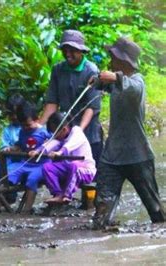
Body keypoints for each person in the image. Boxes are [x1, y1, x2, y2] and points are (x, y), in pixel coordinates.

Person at [92, 37, 165, 228]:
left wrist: (115, 77)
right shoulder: (116, 83)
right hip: (112, 157)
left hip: (138, 156)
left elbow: (132, 88)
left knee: (156, 212)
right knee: (101, 215)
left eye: (113, 57)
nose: (110, 60)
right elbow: (105, 84)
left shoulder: (137, 82)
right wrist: (96, 81)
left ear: (123, 61)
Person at [39, 30, 103, 165]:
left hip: (89, 135)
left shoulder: (91, 71)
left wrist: (78, 131)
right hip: (64, 134)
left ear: (81, 51)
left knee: (89, 177)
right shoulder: (58, 70)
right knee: (66, 174)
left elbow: (91, 107)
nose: (68, 54)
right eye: (65, 50)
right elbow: (52, 102)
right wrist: (40, 126)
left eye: (72, 50)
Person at [31, 112, 96, 203]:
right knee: (47, 167)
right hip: (68, 169)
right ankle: (57, 194)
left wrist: (60, 152)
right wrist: (38, 151)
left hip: (86, 171)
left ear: (64, 129)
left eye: (55, 133)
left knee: (74, 165)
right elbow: (51, 143)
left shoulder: (77, 132)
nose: (54, 136)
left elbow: (71, 144)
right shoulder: (60, 137)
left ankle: (66, 195)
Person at [5, 101, 51, 213]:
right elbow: (20, 144)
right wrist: (12, 148)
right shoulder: (22, 132)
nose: (26, 128)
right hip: (25, 163)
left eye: (28, 125)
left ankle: (27, 209)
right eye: (23, 125)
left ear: (37, 120)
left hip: (41, 165)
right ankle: (3, 203)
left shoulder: (44, 132)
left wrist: (41, 150)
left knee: (32, 178)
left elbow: (53, 144)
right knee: (9, 173)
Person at [0, 93, 25, 189]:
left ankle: (10, 195)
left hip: (24, 160)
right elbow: (4, 147)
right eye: (11, 114)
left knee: (12, 171)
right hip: (9, 159)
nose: (14, 117)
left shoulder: (27, 127)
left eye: (17, 114)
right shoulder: (8, 130)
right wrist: (8, 149)